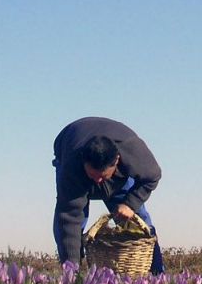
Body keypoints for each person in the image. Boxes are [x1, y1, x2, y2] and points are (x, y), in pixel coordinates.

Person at [52, 116, 164, 273]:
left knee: (139, 219)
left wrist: (130, 204)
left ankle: (158, 274)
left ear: (116, 161)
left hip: (118, 179)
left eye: (102, 177)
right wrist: (71, 271)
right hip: (68, 149)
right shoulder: (72, 167)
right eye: (93, 176)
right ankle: (72, 274)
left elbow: (152, 176)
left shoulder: (132, 149)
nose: (97, 182)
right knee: (70, 224)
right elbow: (69, 217)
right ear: (84, 163)